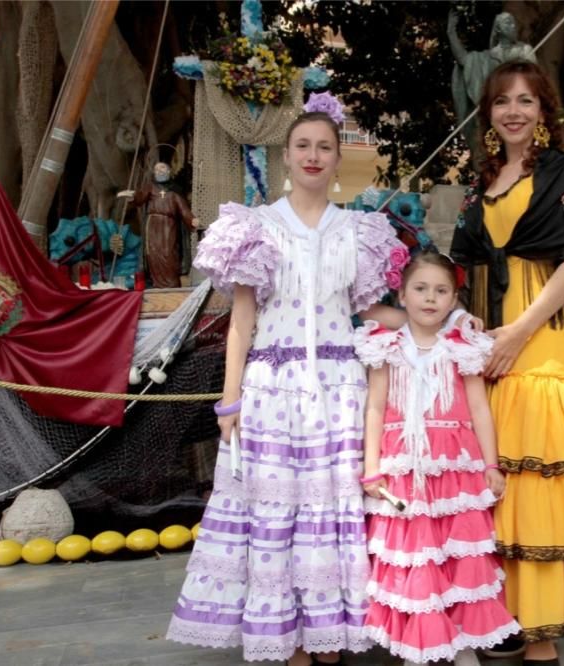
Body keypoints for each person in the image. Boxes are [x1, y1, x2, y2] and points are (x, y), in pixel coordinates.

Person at [166, 96, 407, 666]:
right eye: (303, 146)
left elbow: (369, 310)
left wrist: (439, 319)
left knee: (332, 507)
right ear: (287, 156)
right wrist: (230, 404)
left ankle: (332, 630)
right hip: (272, 391)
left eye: (325, 146)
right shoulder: (255, 228)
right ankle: (289, 635)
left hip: (340, 388)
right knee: (280, 513)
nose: (314, 156)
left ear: (337, 156)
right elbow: (242, 324)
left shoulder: (362, 232)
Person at [450, 61, 564, 665]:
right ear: (488, 113)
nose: (513, 111)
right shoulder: (483, 177)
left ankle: (542, 630)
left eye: (525, 101)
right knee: (498, 476)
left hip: (538, 331)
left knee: (539, 474)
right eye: (501, 102)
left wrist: (518, 333)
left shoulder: (559, 169)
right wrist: (466, 324)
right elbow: (464, 263)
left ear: (543, 110)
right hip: (487, 333)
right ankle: (502, 616)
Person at [354, 250, 521, 666]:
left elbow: (480, 408)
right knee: (417, 558)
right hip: (402, 469)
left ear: (453, 300)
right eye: (421, 288)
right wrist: (372, 467)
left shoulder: (462, 347)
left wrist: (491, 464)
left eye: (441, 291)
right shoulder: (384, 345)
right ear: (403, 294)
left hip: (456, 470)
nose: (430, 298)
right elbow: (375, 407)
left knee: (461, 556)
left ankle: (463, 645)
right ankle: (420, 647)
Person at [448, 9, 536, 159]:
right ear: (498, 28)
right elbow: (464, 60)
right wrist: (451, 32)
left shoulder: (524, 51)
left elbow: (535, 82)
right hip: (494, 116)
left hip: (518, 114)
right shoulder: (486, 58)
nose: (513, 27)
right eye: (508, 23)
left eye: (513, 23)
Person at [118, 161, 199, 288]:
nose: (159, 171)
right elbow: (140, 197)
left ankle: (172, 283)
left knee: (169, 252)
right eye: (156, 169)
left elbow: (183, 209)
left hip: (168, 225)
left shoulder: (175, 190)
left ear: (168, 171)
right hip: (153, 226)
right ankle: (157, 284)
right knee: (153, 254)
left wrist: (192, 220)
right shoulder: (150, 187)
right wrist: (132, 197)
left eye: (162, 168)